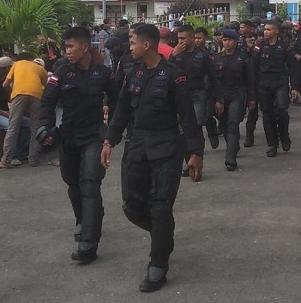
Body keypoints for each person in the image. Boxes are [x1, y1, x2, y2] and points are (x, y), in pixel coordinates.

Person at [102, 24, 204, 292]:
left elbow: (188, 116)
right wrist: (109, 141)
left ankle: (158, 263)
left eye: (132, 42)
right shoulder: (133, 73)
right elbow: (122, 111)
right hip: (137, 147)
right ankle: (163, 234)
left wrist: (195, 152)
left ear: (146, 45)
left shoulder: (174, 76)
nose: (129, 47)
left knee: (160, 207)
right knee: (131, 206)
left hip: (166, 149)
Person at [38, 26, 120, 263]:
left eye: (71, 47)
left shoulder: (103, 73)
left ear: (85, 47)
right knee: (73, 184)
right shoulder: (61, 73)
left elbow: (118, 100)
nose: (67, 51)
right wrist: (44, 127)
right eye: (65, 47)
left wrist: (111, 131)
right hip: (68, 137)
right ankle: (84, 220)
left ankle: (89, 244)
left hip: (94, 137)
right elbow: (47, 103)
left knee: (90, 184)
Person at [169, 24, 221, 158]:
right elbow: (166, 70)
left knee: (196, 126)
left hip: (198, 94)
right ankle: (188, 159)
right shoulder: (176, 54)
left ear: (192, 38)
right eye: (178, 38)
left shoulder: (203, 55)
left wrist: (218, 99)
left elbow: (213, 78)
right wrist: (173, 55)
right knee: (184, 129)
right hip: (181, 95)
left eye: (183, 38)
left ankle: (197, 157)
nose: (180, 41)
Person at [251, 20, 299, 157]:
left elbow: (293, 67)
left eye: (269, 29)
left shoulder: (284, 46)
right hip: (264, 85)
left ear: (276, 31)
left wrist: (294, 87)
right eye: (265, 29)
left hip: (280, 83)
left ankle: (284, 135)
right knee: (267, 114)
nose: (266, 32)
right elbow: (253, 69)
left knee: (281, 110)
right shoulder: (259, 47)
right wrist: (253, 91)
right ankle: (272, 143)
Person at [212, 29, 255, 171]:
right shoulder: (216, 58)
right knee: (224, 123)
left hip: (237, 94)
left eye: (230, 40)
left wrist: (252, 99)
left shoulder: (243, 58)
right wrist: (217, 99)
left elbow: (250, 80)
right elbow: (212, 81)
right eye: (225, 40)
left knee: (233, 124)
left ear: (236, 42)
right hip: (221, 96)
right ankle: (233, 145)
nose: (227, 43)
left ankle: (230, 158)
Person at [0, 53, 47, 168]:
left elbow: (5, 84)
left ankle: (5, 161)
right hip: (36, 95)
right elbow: (45, 86)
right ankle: (33, 159)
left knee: (13, 128)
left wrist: (11, 95)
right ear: (30, 59)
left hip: (19, 94)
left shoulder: (16, 65)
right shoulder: (40, 68)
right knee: (35, 128)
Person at [0, 57, 30, 165]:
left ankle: (21, 153)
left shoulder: (7, 81)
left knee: (27, 124)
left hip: (6, 112)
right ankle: (12, 156)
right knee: (11, 127)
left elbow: (10, 97)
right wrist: (3, 112)